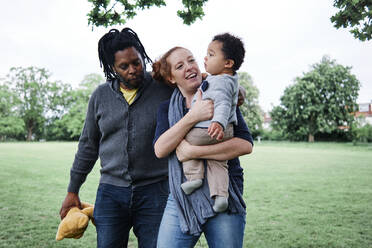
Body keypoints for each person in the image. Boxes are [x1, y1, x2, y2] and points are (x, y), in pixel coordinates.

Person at [59, 28, 174, 248]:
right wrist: (73, 190)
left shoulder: (164, 87)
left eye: (137, 62)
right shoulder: (100, 96)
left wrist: (233, 90)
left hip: (156, 192)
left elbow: (198, 85)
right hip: (111, 193)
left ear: (143, 57)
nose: (133, 70)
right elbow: (88, 146)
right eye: (124, 66)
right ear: (112, 68)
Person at [152, 46, 253, 247]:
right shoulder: (167, 108)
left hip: (225, 193)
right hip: (182, 196)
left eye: (191, 60)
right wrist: (193, 116)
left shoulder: (220, 94)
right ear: (172, 78)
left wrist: (194, 152)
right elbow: (160, 149)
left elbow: (245, 144)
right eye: (180, 66)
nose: (189, 67)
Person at [179, 33, 246, 213]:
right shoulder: (227, 78)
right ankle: (221, 196)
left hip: (210, 128)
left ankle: (194, 176)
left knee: (183, 137)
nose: (205, 58)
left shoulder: (221, 82)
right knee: (219, 162)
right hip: (224, 131)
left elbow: (223, 103)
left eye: (211, 54)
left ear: (228, 63)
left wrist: (218, 122)